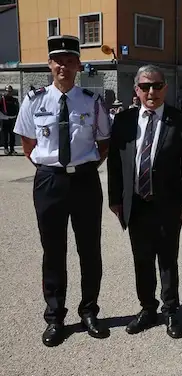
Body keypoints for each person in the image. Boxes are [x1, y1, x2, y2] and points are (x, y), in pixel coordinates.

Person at [13, 35, 111, 347]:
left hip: (84, 180)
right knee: (53, 251)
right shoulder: (34, 100)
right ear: (49, 64)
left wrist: (82, 167)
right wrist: (50, 168)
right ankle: (55, 317)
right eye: (58, 60)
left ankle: (89, 311)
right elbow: (28, 143)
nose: (63, 66)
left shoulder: (92, 101)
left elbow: (103, 143)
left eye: (70, 61)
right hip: (49, 182)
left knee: (89, 250)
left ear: (78, 65)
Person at [107, 65, 182, 339]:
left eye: (157, 86)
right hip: (136, 204)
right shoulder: (123, 121)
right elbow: (115, 162)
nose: (151, 92)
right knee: (142, 259)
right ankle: (148, 308)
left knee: (168, 260)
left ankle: (171, 310)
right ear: (136, 89)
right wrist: (115, 199)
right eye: (145, 86)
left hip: (169, 203)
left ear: (165, 88)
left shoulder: (180, 120)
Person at [1, 85, 20, 155]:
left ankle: (12, 149)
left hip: (12, 119)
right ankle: (6, 149)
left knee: (12, 135)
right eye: (7, 91)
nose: (9, 92)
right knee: (5, 135)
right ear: (5, 91)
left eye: (10, 91)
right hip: (4, 119)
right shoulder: (2, 100)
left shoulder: (14, 100)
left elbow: (17, 109)